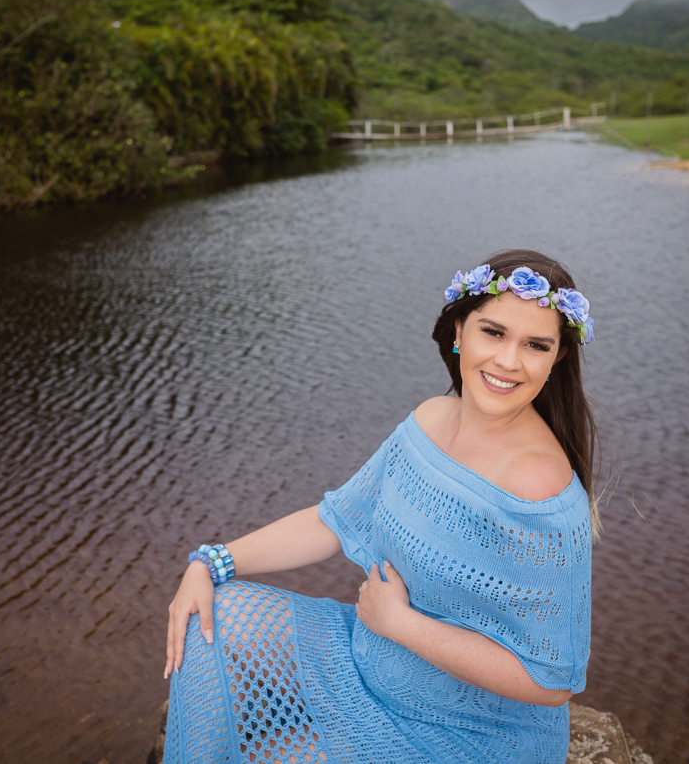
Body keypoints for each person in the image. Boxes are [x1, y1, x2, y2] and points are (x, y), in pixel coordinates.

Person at [163, 249, 600, 764]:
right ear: (459, 331)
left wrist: (401, 624)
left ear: (557, 359)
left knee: (268, 756)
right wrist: (213, 561)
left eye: (535, 345)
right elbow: (335, 519)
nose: (508, 360)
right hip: (371, 661)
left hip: (469, 733)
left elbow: (553, 681)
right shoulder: (430, 419)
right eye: (494, 332)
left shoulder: (538, 488)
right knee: (213, 611)